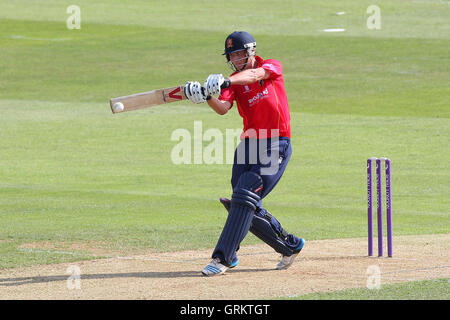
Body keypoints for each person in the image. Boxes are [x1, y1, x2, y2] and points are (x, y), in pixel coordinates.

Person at [184, 31, 305, 276]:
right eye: (232, 56)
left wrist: (228, 82)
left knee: (245, 193)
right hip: (248, 146)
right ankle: (289, 245)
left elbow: (255, 74)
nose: (236, 59)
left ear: (251, 51)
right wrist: (207, 96)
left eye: (239, 53)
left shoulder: (270, 66)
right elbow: (223, 108)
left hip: (276, 142)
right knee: (243, 202)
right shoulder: (234, 80)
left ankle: (223, 258)